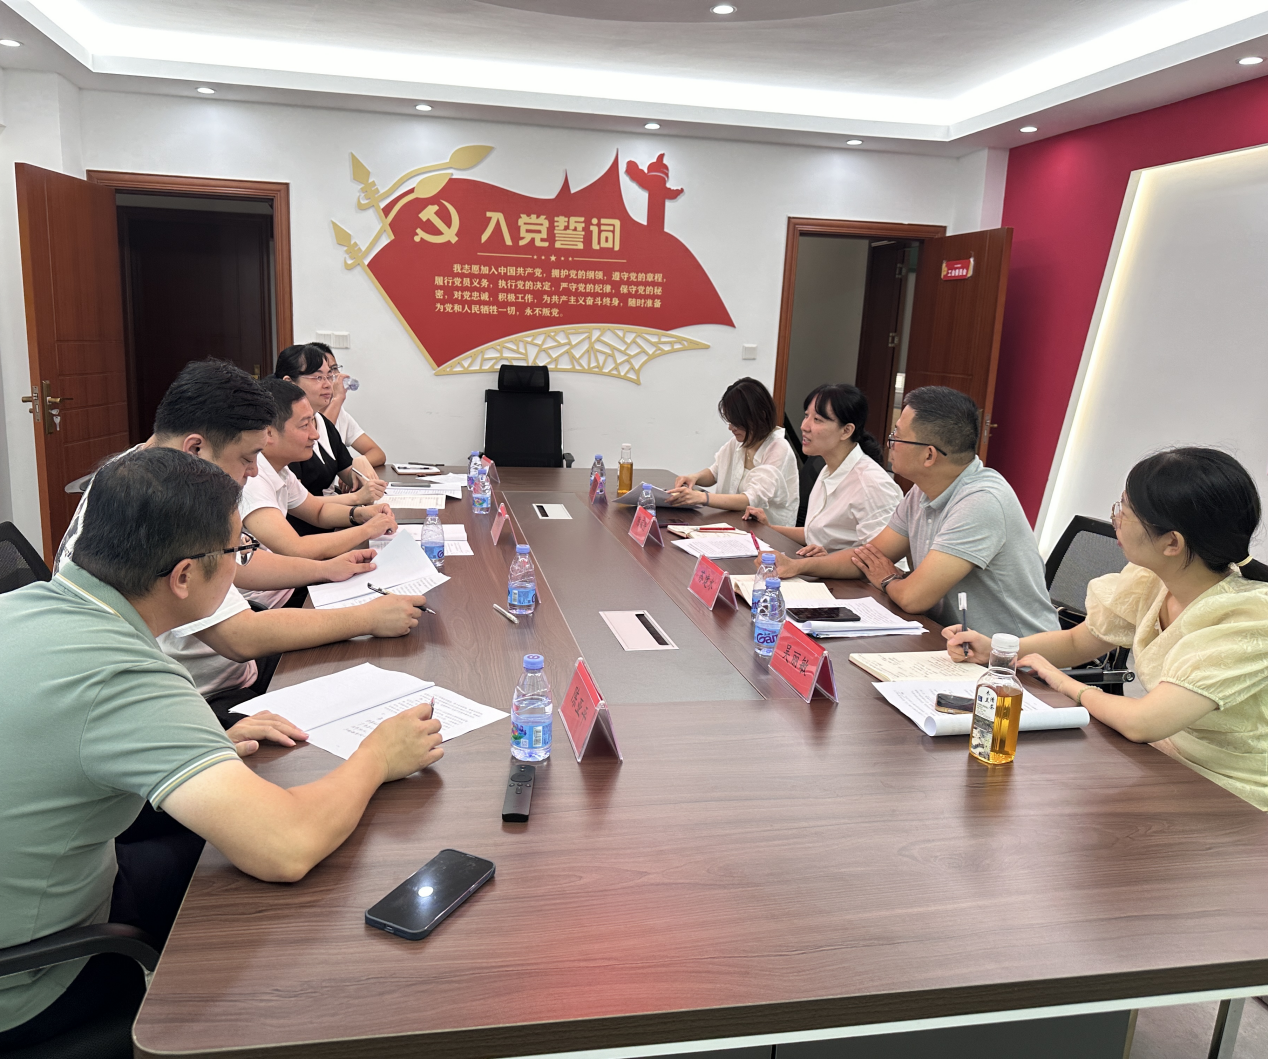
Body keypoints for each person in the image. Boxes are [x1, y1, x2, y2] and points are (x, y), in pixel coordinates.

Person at [0, 448, 444, 1049]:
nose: (243, 564)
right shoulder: (124, 675)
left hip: (53, 883)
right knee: (276, 915)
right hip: (31, 980)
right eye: (239, 550)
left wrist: (195, 744)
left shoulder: (21, 606)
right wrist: (378, 756)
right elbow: (286, 848)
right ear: (183, 576)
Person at [54, 359, 427, 724]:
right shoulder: (163, 502)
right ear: (196, 449)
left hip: (222, 672)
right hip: (199, 701)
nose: (253, 471)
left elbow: (238, 564)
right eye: (248, 458)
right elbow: (239, 637)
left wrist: (325, 569)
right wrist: (368, 617)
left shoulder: (135, 471)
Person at [946, 448, 1268, 810]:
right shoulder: (1152, 579)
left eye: (1125, 511)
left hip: (1234, 794)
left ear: (1172, 543)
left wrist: (1065, 683)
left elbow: (1143, 722)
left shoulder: (1249, 619)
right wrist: (997, 649)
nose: (1115, 519)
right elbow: (1077, 642)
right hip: (1164, 761)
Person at [771, 386, 1059, 638]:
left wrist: (888, 579)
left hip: (1017, 662)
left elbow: (913, 597)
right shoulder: (922, 491)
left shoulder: (981, 502)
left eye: (897, 436)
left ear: (929, 455)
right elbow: (867, 557)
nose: (889, 443)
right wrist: (797, 566)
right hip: (950, 641)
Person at [241, 377, 397, 562]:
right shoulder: (251, 479)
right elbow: (296, 548)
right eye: (304, 425)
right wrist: (368, 530)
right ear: (268, 433)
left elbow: (318, 511)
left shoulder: (280, 470)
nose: (315, 435)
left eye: (313, 423)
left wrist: (360, 514)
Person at [744, 384, 901, 556]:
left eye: (817, 420)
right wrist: (769, 527)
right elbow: (816, 535)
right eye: (806, 416)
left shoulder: (871, 485)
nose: (804, 426)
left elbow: (883, 559)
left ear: (846, 431)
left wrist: (827, 560)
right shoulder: (827, 469)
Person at [666, 376, 798, 524]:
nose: (730, 428)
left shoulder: (778, 449)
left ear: (760, 416)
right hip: (735, 523)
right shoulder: (738, 443)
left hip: (768, 531)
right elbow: (715, 472)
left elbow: (750, 499)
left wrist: (703, 497)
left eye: (736, 423)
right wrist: (694, 477)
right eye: (730, 421)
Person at [275, 343, 358, 502]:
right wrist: (357, 498)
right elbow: (297, 503)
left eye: (329, 376)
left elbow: (347, 471)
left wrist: (361, 472)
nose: (328, 385)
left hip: (330, 511)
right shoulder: (284, 430)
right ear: (289, 382)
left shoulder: (322, 422)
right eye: (318, 377)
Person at [312, 341, 387, 469]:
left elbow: (378, 454)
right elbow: (320, 442)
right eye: (323, 374)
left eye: (334, 369)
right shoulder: (306, 414)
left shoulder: (341, 414)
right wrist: (338, 398)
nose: (333, 377)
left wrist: (352, 469)